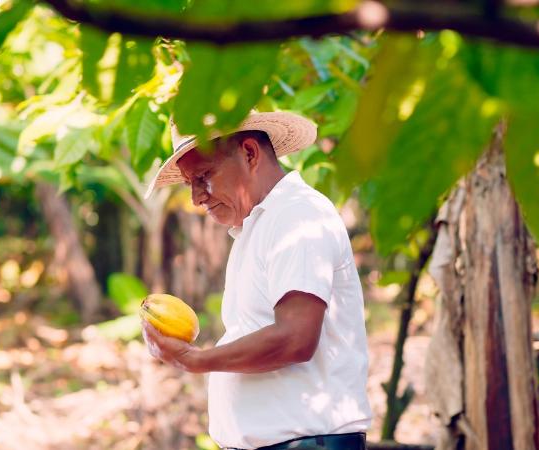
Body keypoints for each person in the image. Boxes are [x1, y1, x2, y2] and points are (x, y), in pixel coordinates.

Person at [141, 111, 372, 450]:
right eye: (190, 183)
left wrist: (194, 359)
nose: (196, 197)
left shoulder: (297, 216)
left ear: (249, 154)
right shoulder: (258, 226)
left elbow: (295, 338)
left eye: (203, 176)